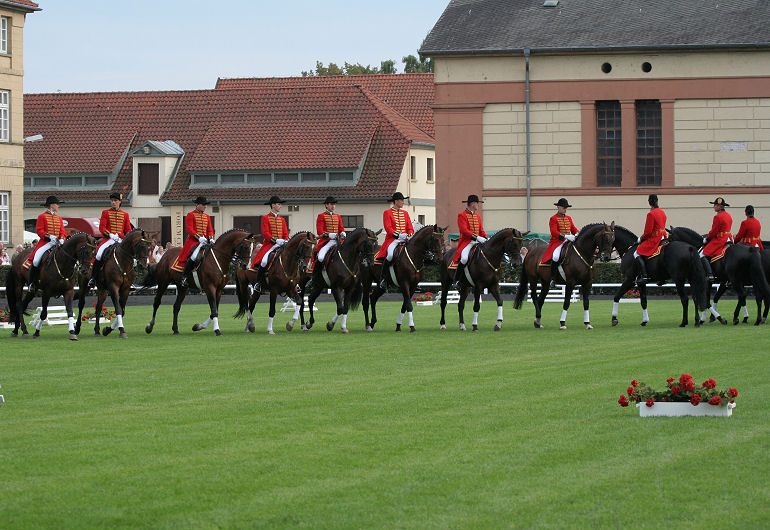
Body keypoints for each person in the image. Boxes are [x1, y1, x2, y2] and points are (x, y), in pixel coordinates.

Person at [89, 192, 132, 287]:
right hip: (109, 239)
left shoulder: (125, 214)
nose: (113, 202)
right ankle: (93, 278)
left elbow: (128, 229)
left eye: (115, 201)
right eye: (112, 201)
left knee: (131, 257)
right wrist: (110, 234)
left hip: (120, 239)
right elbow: (102, 228)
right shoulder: (106, 212)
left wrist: (125, 237)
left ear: (120, 202)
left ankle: (129, 280)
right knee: (99, 255)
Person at [23, 195, 67, 286]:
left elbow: (63, 231)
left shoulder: (59, 218)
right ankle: (32, 283)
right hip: (46, 243)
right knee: (36, 261)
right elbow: (39, 231)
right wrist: (49, 236)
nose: (58, 206)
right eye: (57, 204)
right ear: (52, 205)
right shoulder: (42, 216)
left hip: (58, 243)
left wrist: (62, 238)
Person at [374, 191, 414, 289]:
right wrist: (399, 235)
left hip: (405, 239)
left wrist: (409, 235)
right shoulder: (387, 213)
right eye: (401, 200)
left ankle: (413, 279)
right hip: (393, 240)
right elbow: (388, 228)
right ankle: (383, 278)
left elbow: (410, 227)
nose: (403, 202)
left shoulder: (405, 213)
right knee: (391, 254)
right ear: (396, 201)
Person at [250, 196, 289, 292]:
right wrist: (275, 240)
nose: (280, 206)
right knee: (263, 261)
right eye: (279, 204)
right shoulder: (265, 218)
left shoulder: (282, 219)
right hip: (270, 245)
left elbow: (285, 233)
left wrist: (286, 240)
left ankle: (293, 282)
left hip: (282, 244)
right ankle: (258, 283)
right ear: (273, 205)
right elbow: (265, 233)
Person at [174, 196, 215, 287]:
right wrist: (199, 237)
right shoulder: (191, 215)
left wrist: (211, 238)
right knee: (194, 256)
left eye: (206, 205)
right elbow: (190, 229)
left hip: (206, 241)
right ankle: (184, 277)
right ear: (197, 205)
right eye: (203, 205)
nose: (205, 207)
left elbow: (210, 230)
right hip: (194, 241)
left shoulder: (207, 216)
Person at [449, 194, 488, 289]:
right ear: (472, 204)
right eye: (477, 203)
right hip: (467, 242)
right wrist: (477, 237)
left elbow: (481, 230)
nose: (478, 205)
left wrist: (486, 237)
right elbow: (464, 231)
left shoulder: (477, 216)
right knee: (464, 259)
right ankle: (457, 280)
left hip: (478, 242)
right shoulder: (462, 215)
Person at [306, 196, 346, 284]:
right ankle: (314, 277)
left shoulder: (338, 216)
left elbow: (341, 229)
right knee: (320, 257)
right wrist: (329, 235)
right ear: (326, 205)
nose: (333, 206)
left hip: (338, 241)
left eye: (334, 204)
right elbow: (320, 231)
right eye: (331, 204)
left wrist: (343, 233)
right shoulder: (321, 216)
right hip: (327, 242)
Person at [541, 198, 578, 286]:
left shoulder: (568, 218)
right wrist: (565, 236)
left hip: (568, 241)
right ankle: (553, 278)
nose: (565, 209)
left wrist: (577, 234)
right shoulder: (553, 218)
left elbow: (573, 228)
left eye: (566, 208)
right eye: (564, 207)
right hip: (557, 242)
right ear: (558, 207)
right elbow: (554, 232)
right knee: (556, 257)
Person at [633, 194, 667, 285]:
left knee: (637, 253)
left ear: (649, 202)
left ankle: (644, 276)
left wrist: (640, 239)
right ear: (657, 201)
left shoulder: (651, 214)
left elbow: (648, 232)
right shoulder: (662, 212)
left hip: (655, 239)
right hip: (663, 237)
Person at [701, 197, 733, 282]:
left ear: (720, 206)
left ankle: (710, 275)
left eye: (715, 205)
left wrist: (707, 239)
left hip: (720, 239)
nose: (714, 206)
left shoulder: (718, 217)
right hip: (728, 239)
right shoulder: (728, 215)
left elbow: (714, 231)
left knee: (703, 255)